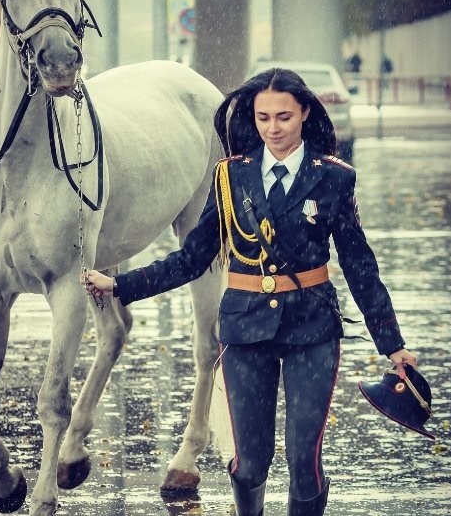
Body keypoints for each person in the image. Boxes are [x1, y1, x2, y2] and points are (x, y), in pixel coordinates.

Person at [85, 68, 416, 516]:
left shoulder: (334, 177)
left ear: (304, 113)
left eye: (283, 117)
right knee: (248, 465)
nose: (273, 129)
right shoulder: (230, 177)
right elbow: (191, 258)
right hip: (244, 330)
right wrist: (121, 285)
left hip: (312, 329)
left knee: (304, 463)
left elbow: (360, 266)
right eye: (263, 118)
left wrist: (392, 344)